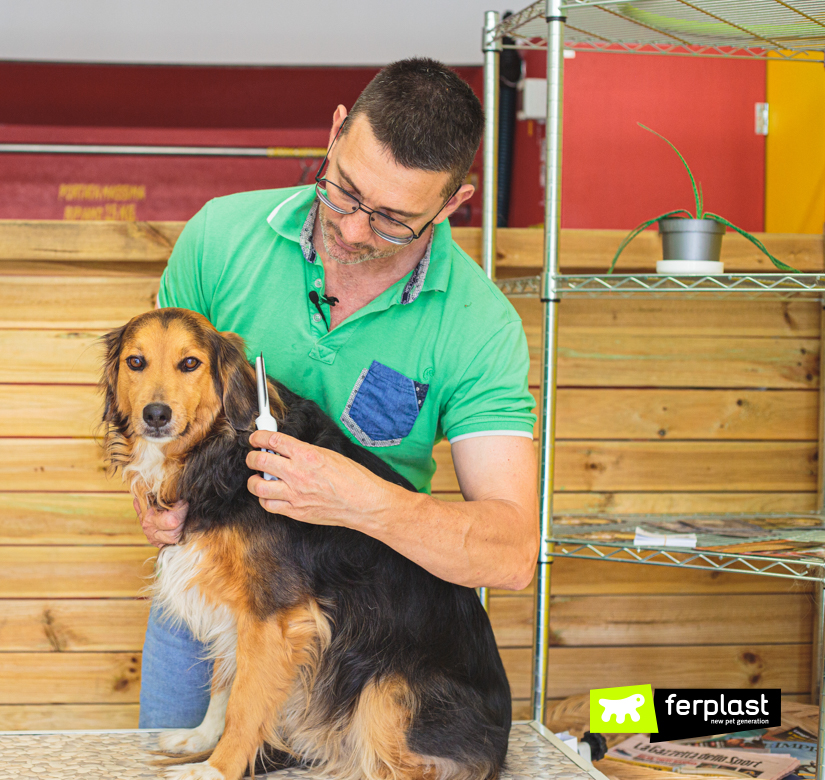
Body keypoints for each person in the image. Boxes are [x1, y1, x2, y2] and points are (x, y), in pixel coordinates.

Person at [137, 57, 539, 729]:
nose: (352, 230)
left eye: (391, 220)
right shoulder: (218, 239)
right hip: (211, 608)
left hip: (366, 646)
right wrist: (157, 501)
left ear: (452, 205)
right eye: (344, 191)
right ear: (333, 134)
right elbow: (162, 412)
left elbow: (511, 552)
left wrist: (363, 503)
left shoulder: (480, 326)